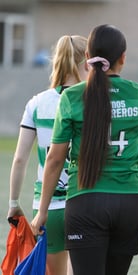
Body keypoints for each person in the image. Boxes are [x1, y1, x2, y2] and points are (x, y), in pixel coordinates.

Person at [30, 24, 138, 275]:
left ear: (87, 57)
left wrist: (42, 211)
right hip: (130, 203)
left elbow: (55, 158)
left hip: (85, 201)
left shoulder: (72, 96)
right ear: (123, 58)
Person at [7, 34, 88, 275]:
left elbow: (20, 158)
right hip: (85, 200)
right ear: (87, 61)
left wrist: (13, 203)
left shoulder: (37, 103)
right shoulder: (92, 100)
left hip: (47, 204)